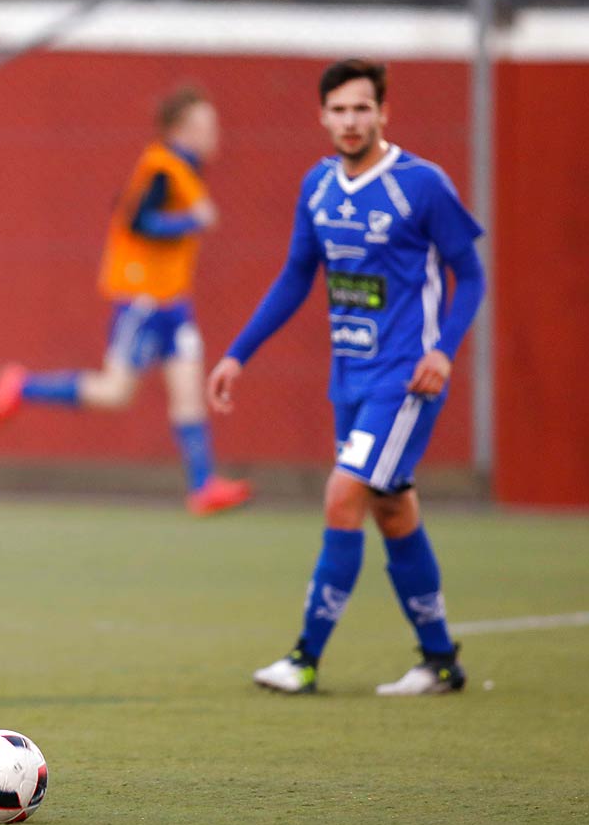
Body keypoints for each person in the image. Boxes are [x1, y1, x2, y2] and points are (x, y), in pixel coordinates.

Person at [205, 59, 486, 696]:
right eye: (339, 110)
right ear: (322, 117)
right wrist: (237, 354)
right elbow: (294, 277)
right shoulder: (319, 185)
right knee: (391, 508)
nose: (351, 120)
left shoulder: (421, 185)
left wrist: (441, 351)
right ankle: (441, 662)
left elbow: (470, 275)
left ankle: (304, 659)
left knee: (343, 493)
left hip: (405, 378)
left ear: (383, 112)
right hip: (349, 379)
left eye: (363, 108)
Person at [0, 85, 251, 516]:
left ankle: (203, 485)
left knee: (188, 392)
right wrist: (191, 220)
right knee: (115, 392)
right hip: (143, 297)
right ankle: (23, 385)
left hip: (173, 301)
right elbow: (138, 220)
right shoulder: (163, 166)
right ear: (180, 131)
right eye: (205, 125)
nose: (215, 133)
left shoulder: (184, 168)